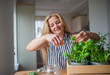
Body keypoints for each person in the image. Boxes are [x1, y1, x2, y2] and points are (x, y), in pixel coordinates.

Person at [26, 12, 100, 69]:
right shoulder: (47, 41)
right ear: (50, 29)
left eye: (58, 22)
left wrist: (90, 34)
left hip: (72, 72)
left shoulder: (73, 37)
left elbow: (98, 38)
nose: (56, 26)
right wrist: (45, 37)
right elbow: (29, 47)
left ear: (63, 23)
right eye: (52, 25)